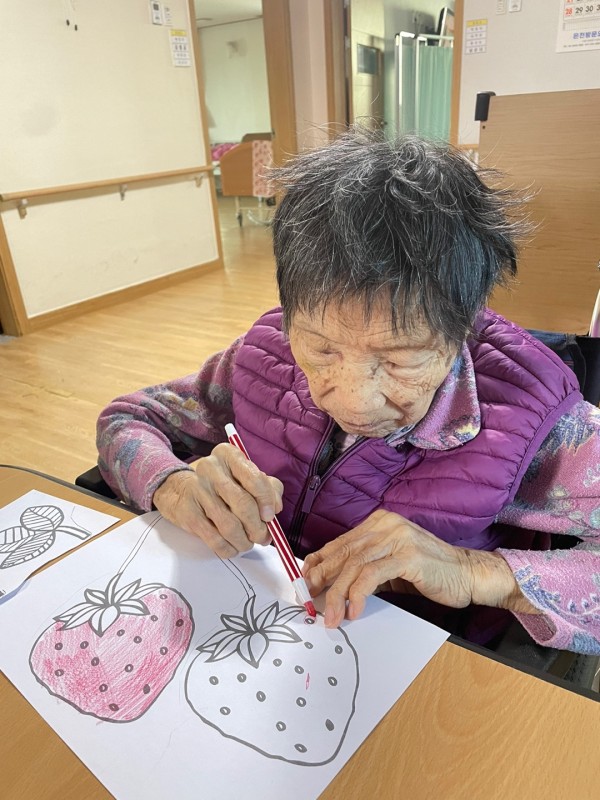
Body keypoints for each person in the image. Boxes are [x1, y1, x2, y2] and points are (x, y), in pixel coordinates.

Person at [97, 130, 600, 653]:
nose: (353, 401)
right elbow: (127, 419)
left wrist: (474, 571)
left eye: (400, 359)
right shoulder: (265, 353)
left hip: (427, 661)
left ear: (464, 328)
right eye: (322, 349)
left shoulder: (537, 421)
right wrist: (173, 484)